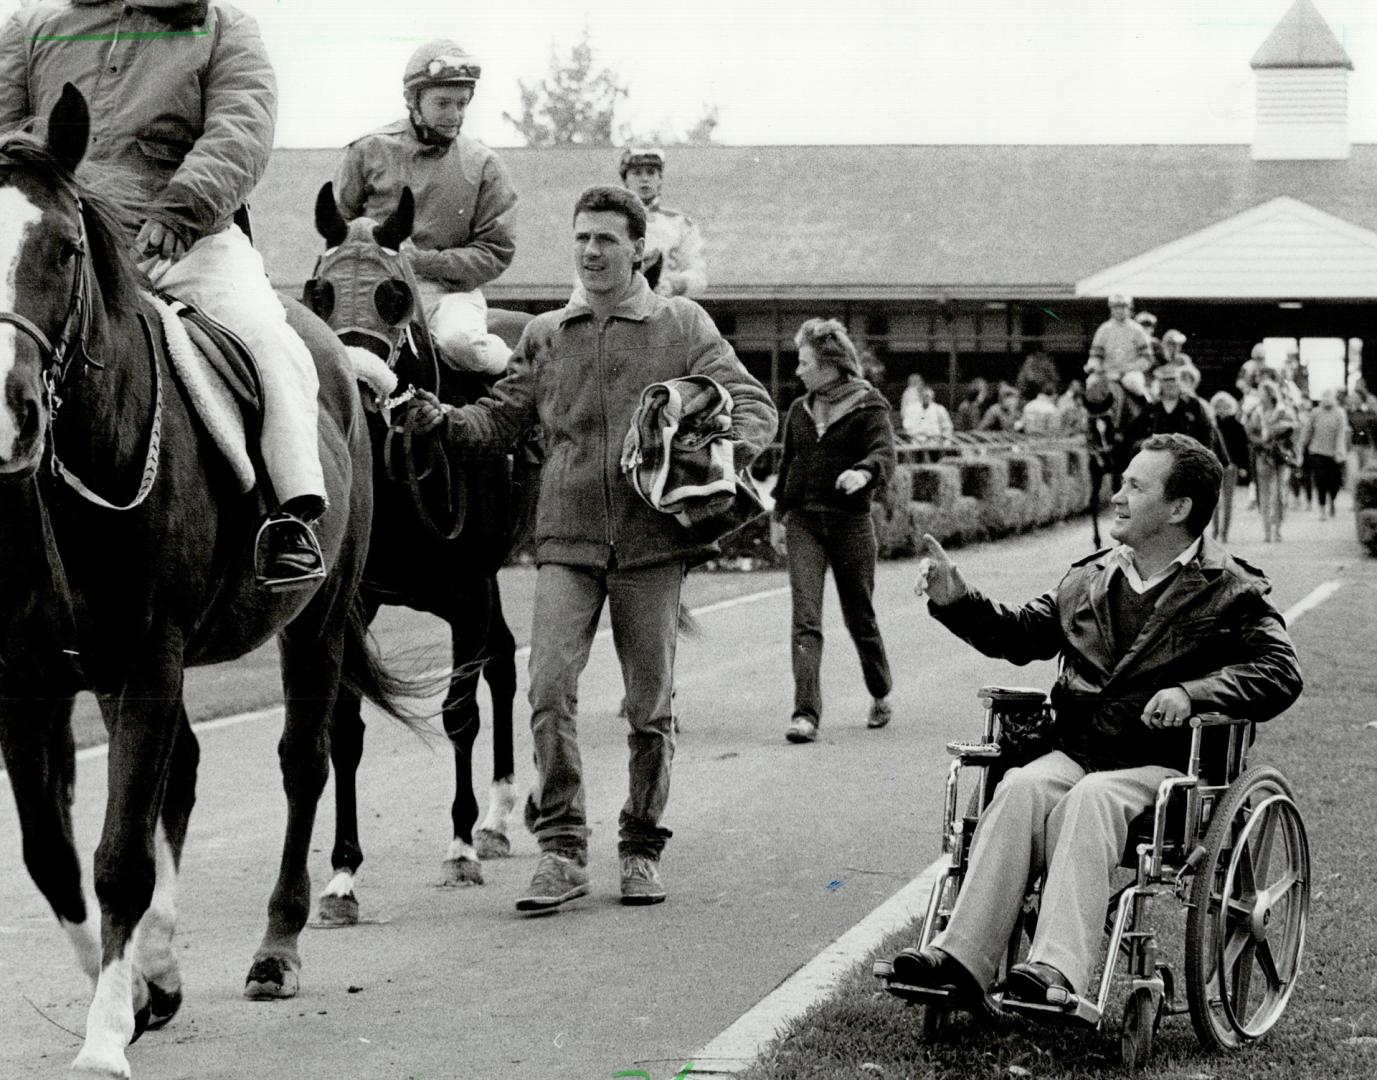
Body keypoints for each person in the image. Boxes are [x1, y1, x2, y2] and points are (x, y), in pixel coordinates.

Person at [397, 185, 775, 910]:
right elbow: (496, 421)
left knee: (648, 706)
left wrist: (711, 457)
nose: (591, 251)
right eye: (581, 239)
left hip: (650, 544)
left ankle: (639, 845)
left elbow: (750, 405)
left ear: (639, 249)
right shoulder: (546, 334)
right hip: (565, 540)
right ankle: (563, 850)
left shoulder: (681, 325)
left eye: (606, 239)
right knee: (546, 691)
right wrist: (434, 419)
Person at [888, 433, 1302, 1010]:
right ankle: (960, 960)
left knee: (1093, 798)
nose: (1118, 495)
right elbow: (1019, 633)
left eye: (1136, 485)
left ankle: (1054, 970)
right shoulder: (1088, 579)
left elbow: (1280, 671)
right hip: (1081, 751)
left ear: (1179, 509)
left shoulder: (1232, 590)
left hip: (1168, 770)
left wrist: (1194, 692)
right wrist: (959, 599)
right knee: (1021, 785)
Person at [0, 0, 328, 587]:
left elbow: (241, 126)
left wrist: (184, 209)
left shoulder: (225, 29)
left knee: (267, 337)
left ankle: (290, 514)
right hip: (58, 241)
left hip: (182, 239)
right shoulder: (31, 29)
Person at [335, 40, 517, 377]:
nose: (454, 116)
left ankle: (521, 379)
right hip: (372, 292)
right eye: (443, 103)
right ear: (413, 101)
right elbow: (339, 228)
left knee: (462, 343)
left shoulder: (485, 165)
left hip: (448, 296)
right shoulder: (367, 151)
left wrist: (423, 261)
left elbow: (496, 252)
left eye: (462, 104)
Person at [769, 319, 896, 744]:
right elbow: (787, 466)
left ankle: (880, 691)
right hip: (804, 522)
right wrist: (777, 516)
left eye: (804, 362)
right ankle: (806, 714)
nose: (798, 371)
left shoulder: (869, 405)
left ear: (829, 365)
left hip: (850, 525)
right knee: (805, 619)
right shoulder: (799, 410)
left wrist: (864, 473)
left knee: (859, 617)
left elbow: (884, 454)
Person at [618, 146, 707, 298]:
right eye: (637, 173)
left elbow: (698, 274)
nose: (645, 179)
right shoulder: (611, 222)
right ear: (626, 180)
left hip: (668, 304)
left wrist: (677, 284)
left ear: (660, 179)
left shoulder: (680, 224)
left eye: (651, 173)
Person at [1125, 363, 1224, 463]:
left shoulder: (1193, 406)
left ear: (1179, 381)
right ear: (1160, 383)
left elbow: (1207, 433)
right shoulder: (1151, 408)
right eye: (1166, 380)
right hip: (1158, 461)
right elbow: (1134, 435)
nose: (1170, 384)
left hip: (1187, 460)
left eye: (1173, 379)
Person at [1244, 381, 1296, 543]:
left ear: (1270, 394)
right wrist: (1260, 440)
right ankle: (1267, 531)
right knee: (1264, 493)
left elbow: (1293, 428)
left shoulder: (1283, 410)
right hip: (1263, 455)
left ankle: (1277, 528)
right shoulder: (1256, 412)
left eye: (1263, 393)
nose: (1260, 396)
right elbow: (1249, 431)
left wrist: (1274, 432)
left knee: (1280, 493)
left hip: (1280, 456)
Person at [1301, 389, 1349, 519]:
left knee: (1334, 482)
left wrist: (1339, 452)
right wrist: (1302, 445)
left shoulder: (1339, 413)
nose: (1327, 400)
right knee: (1320, 481)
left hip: (1334, 453)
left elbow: (1341, 433)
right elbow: (1308, 430)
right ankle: (1322, 509)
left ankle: (1332, 500)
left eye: (1330, 397)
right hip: (1317, 452)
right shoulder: (1316, 412)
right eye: (1325, 397)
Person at [1209, 391, 1250, 543]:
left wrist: (1243, 466)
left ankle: (1224, 532)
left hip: (1231, 466)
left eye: (1224, 405)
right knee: (1214, 502)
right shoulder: (1212, 425)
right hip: (1214, 466)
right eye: (1218, 406)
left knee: (1228, 501)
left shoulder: (1237, 426)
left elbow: (1243, 448)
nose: (1221, 408)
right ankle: (1215, 530)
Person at [1087, 294, 1153, 381]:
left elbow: (1147, 358)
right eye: (1115, 307)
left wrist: (1130, 367)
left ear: (1129, 308)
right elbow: (1095, 355)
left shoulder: (1137, 329)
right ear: (1111, 309)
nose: (1119, 310)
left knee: (1133, 383)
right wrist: (1093, 365)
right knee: (1091, 382)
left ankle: (1145, 395)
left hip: (1131, 372)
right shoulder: (1103, 330)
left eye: (1123, 307)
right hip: (1108, 372)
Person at [901, 377, 953, 441]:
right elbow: (907, 426)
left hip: (936, 442)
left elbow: (947, 427)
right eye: (923, 396)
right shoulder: (912, 409)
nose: (926, 398)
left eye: (928, 396)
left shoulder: (939, 409)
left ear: (932, 397)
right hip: (916, 442)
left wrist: (944, 441)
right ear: (920, 396)